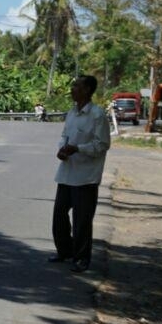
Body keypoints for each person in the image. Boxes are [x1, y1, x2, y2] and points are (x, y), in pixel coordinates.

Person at [49, 75, 110, 272]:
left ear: (87, 90)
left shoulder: (97, 115)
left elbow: (102, 145)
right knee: (59, 214)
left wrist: (78, 149)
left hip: (86, 176)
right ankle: (64, 251)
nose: (72, 89)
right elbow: (64, 136)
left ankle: (82, 257)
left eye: (76, 86)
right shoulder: (71, 114)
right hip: (67, 173)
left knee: (82, 219)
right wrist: (62, 149)